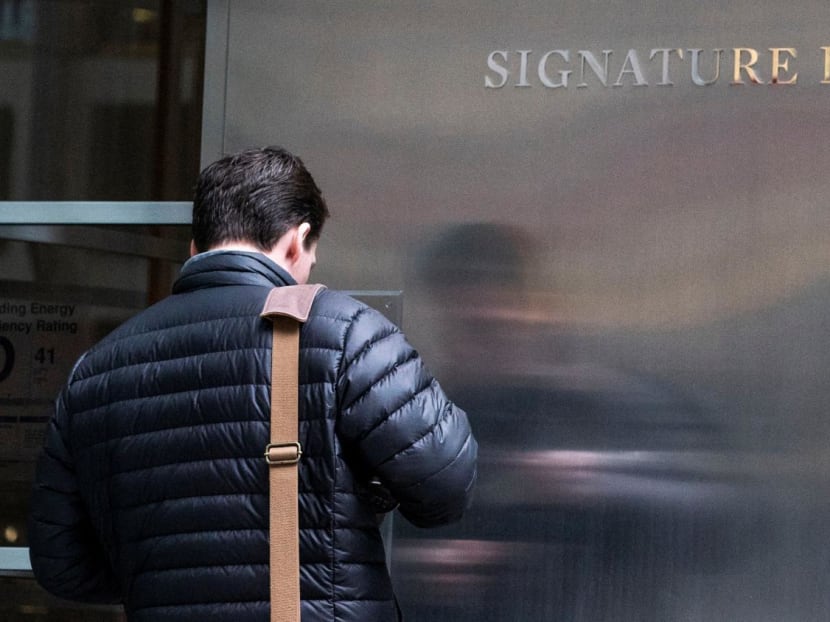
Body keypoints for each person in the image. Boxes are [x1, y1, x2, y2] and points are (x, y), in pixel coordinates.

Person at [27, 146, 478, 622]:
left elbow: (63, 565)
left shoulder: (94, 369)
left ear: (195, 248)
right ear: (295, 242)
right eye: (309, 258)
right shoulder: (344, 333)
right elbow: (447, 484)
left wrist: (170, 573)